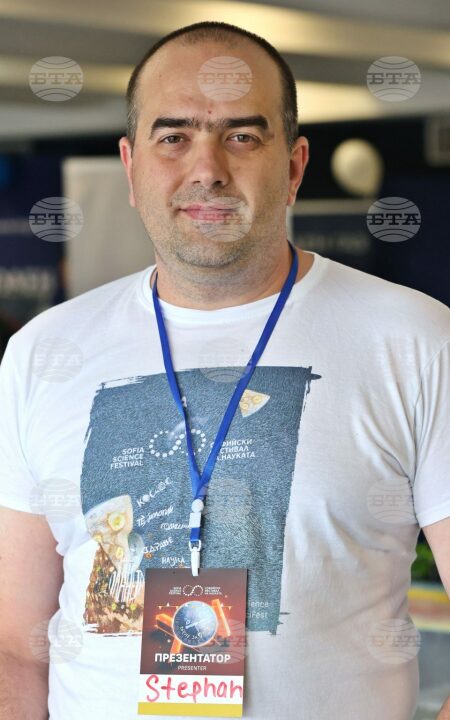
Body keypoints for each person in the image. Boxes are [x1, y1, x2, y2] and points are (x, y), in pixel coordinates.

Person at [0, 20, 449, 720]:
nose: (206, 168)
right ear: (131, 166)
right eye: (173, 137)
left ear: (294, 166)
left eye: (241, 135)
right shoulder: (44, 351)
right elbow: (16, 646)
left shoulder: (413, 339)